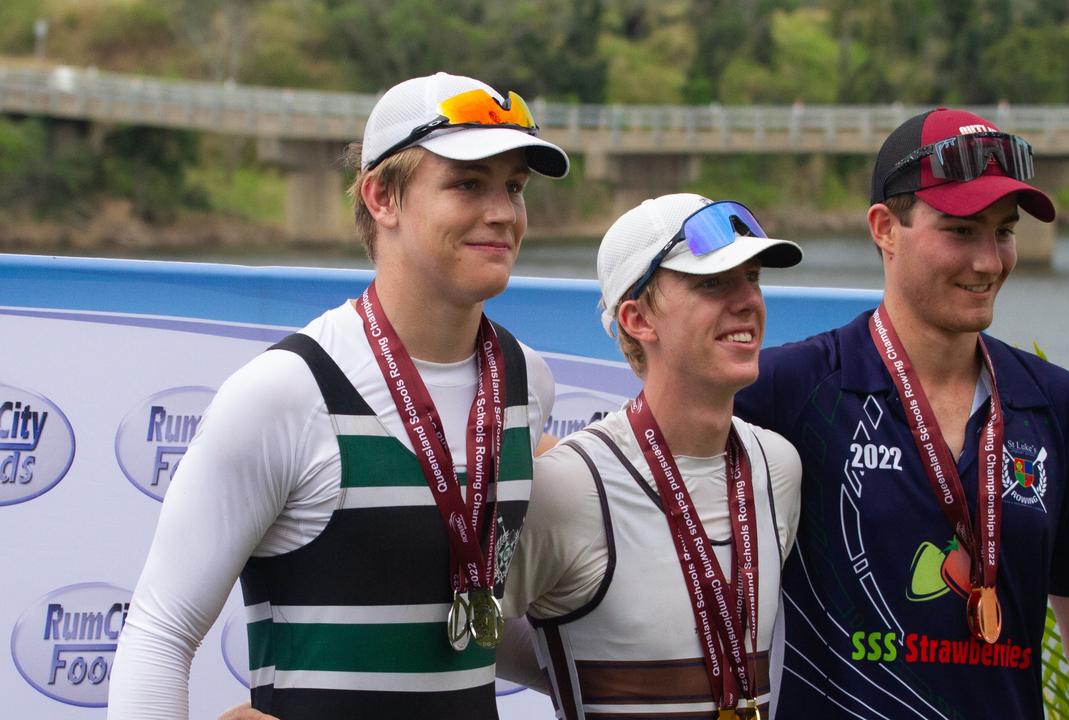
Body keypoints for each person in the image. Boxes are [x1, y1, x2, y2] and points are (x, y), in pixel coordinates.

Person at [108, 71, 569, 720]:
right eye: (467, 184)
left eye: (513, 188)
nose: (501, 212)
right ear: (382, 197)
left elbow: (473, 620)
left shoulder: (526, 381)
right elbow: (159, 634)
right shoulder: (287, 391)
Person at [735, 108, 1069, 719]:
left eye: (1003, 231)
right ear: (885, 228)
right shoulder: (789, 390)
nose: (989, 262)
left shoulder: (1053, 403)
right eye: (962, 230)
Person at [500, 193, 805, 719]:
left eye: (751, 277)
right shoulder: (570, 487)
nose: (746, 301)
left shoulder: (777, 467)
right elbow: (457, 635)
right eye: (712, 283)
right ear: (637, 318)